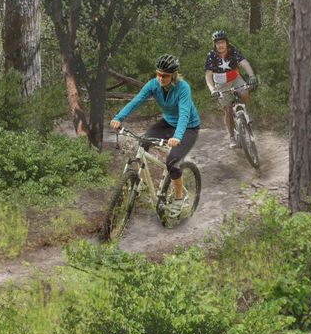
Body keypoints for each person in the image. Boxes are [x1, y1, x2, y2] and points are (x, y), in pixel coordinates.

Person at [109, 54, 200, 220]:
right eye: (158, 73)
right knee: (142, 144)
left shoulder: (183, 88)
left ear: (173, 75)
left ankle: (179, 199)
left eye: (164, 75)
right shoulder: (153, 85)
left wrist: (177, 137)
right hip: (167, 122)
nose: (160, 78)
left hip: (188, 128)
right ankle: (141, 182)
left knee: (172, 162)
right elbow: (136, 101)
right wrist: (118, 117)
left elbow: (184, 114)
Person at [204, 30, 257, 148]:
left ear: (226, 42)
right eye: (217, 43)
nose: (220, 45)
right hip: (221, 83)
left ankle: (246, 111)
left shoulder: (233, 50)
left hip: (234, 77)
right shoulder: (211, 55)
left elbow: (244, 63)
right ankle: (232, 137)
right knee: (227, 110)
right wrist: (213, 89)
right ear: (214, 44)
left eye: (222, 42)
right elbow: (208, 75)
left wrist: (252, 76)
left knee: (244, 91)